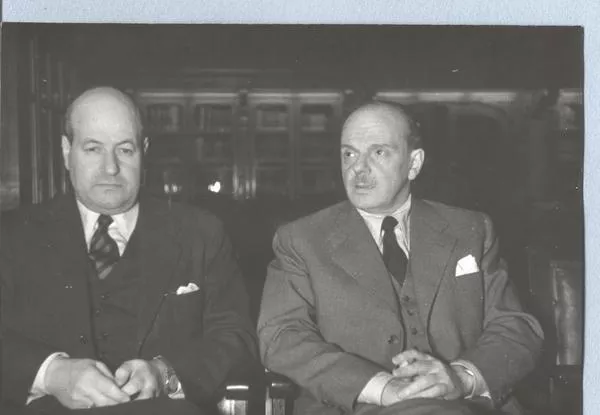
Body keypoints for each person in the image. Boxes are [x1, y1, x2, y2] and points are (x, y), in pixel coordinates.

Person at [257, 102, 543, 415]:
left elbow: (516, 326)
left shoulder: (470, 229)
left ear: (414, 163)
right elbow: (282, 337)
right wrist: (382, 388)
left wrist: (461, 378)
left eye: (378, 152)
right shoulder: (301, 240)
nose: (359, 168)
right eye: (349, 154)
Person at [1, 87, 258, 415]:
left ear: (144, 151)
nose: (110, 167)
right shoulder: (12, 236)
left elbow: (237, 338)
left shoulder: (201, 232)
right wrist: (51, 373)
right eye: (93, 149)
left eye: (125, 149)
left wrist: (164, 375)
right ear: (67, 151)